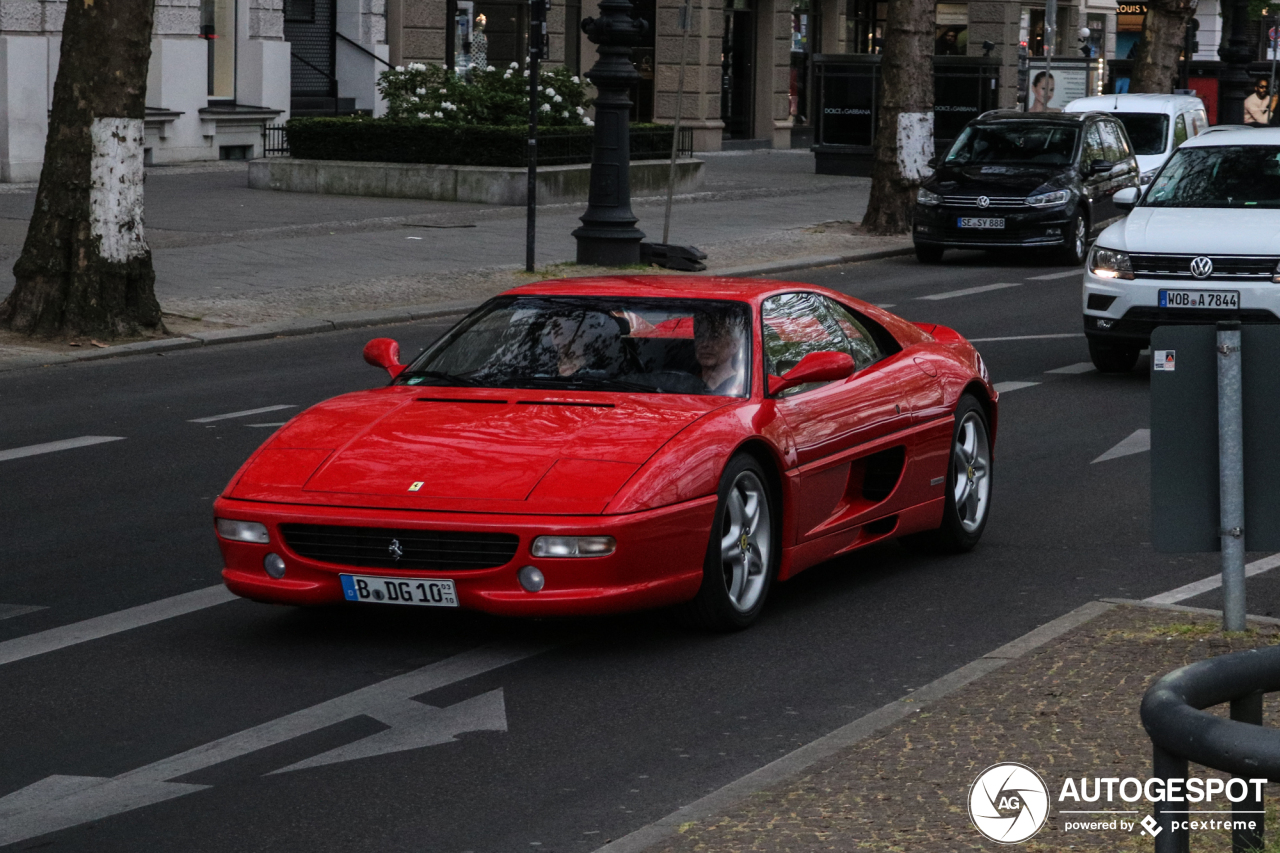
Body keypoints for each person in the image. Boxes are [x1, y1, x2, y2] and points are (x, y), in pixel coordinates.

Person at [693, 313, 746, 396]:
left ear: (734, 346)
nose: (705, 344)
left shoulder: (744, 386)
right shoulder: (684, 384)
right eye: (700, 336)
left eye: (715, 337)